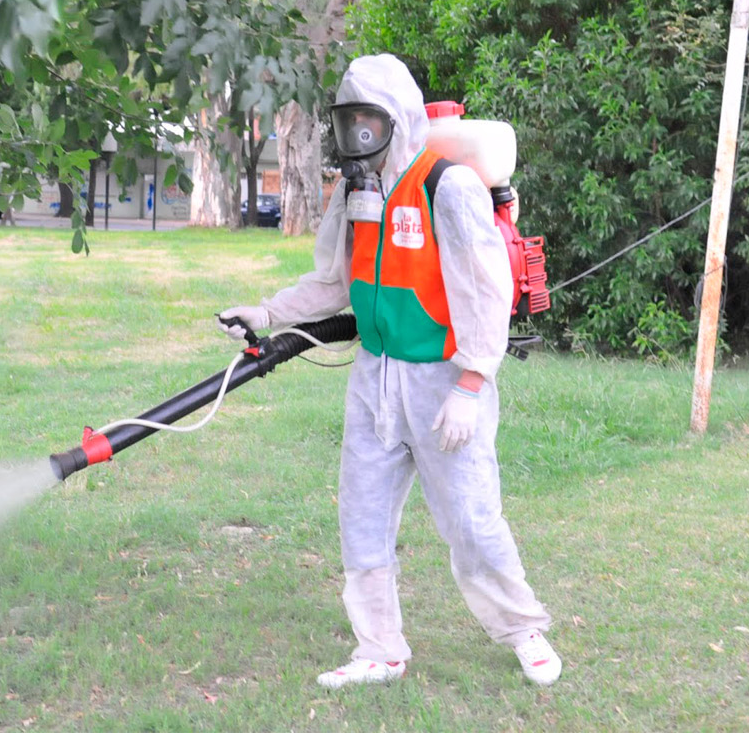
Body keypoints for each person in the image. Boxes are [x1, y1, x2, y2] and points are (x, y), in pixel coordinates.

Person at [217, 54, 561, 689]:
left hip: (442, 382)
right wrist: (267, 311)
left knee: (471, 517)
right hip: (374, 378)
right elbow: (331, 281)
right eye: (348, 121)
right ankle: (380, 647)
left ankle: (523, 630)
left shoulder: (447, 187)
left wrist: (471, 382)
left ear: (397, 119)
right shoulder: (356, 190)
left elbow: (486, 295)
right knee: (363, 515)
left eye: (369, 120)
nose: (358, 135)